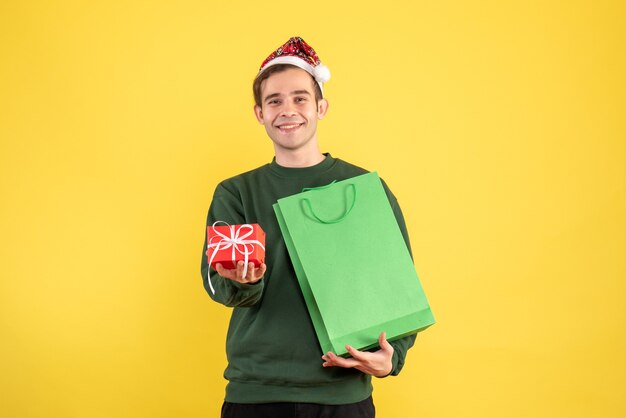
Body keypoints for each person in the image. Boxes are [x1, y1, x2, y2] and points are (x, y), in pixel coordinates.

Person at [201, 36, 417, 418]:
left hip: (343, 394)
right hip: (256, 393)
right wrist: (245, 281)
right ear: (259, 113)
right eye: (274, 100)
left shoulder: (364, 189)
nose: (288, 110)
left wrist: (392, 357)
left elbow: (398, 285)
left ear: (321, 107)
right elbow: (219, 286)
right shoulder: (236, 192)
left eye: (300, 98)